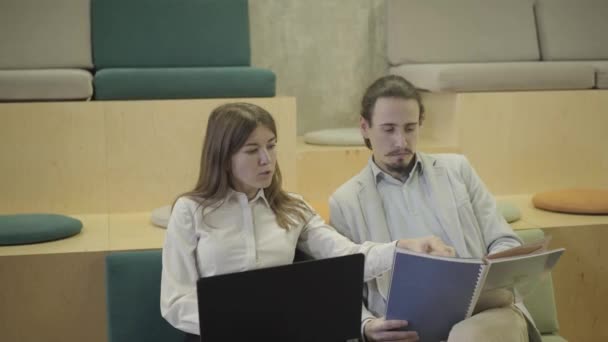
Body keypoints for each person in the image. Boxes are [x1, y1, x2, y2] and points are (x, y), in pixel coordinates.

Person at [160, 102, 455, 341]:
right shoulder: (190, 211)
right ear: (224, 157)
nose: (267, 159)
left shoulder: (293, 207)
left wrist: (404, 247)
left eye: (272, 146)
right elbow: (175, 302)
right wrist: (239, 323)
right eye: (252, 151)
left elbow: (346, 256)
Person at [329, 75, 541, 342]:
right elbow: (343, 289)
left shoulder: (457, 170)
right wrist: (367, 325)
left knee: (468, 337)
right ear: (364, 127)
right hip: (406, 329)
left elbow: (504, 239)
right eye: (388, 129)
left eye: (409, 128)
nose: (401, 142)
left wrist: (486, 274)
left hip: (482, 315)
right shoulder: (346, 201)